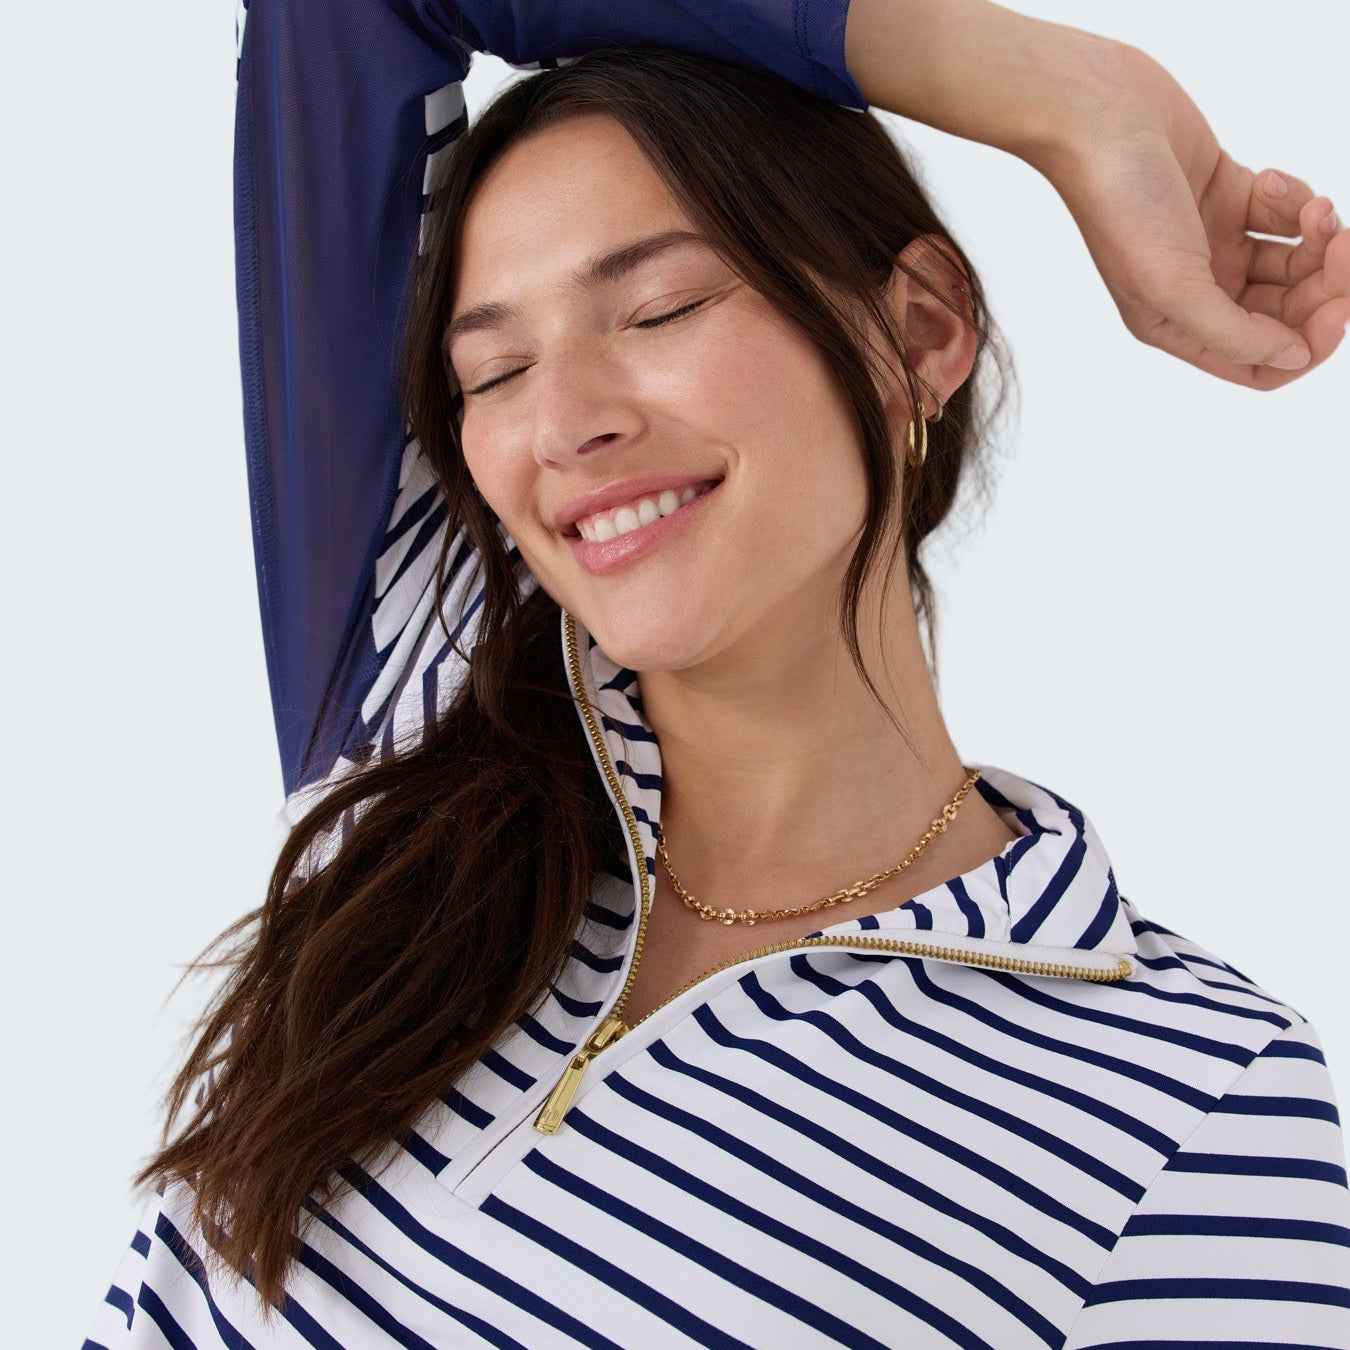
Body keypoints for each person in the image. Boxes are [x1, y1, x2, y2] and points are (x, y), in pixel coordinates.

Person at [85, 2, 1350, 1347]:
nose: (566, 422)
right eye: (493, 369)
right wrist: (1052, 86)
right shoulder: (426, 697)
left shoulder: (1195, 1107)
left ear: (919, 329)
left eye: (659, 307)